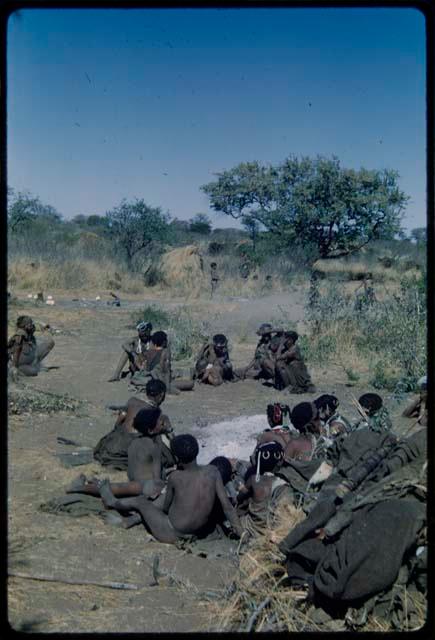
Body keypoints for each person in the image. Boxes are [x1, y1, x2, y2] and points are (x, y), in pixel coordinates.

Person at [97, 434, 244, 543]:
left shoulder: (176, 477)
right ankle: (131, 521)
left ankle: (112, 502)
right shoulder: (213, 472)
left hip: (171, 531)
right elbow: (228, 508)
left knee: (141, 502)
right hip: (197, 532)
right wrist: (241, 534)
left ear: (178, 458)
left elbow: (166, 507)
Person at [67, 407, 174, 512]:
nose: (163, 423)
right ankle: (80, 488)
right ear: (151, 430)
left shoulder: (133, 443)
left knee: (117, 488)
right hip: (146, 486)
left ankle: (84, 487)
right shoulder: (153, 447)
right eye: (160, 422)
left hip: (135, 483)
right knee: (116, 489)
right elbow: (156, 478)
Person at [94, 380, 170, 469]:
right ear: (161, 395)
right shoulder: (155, 413)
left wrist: (116, 432)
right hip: (130, 443)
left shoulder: (132, 401)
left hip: (117, 439)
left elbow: (121, 417)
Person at [236, 442, 288, 538]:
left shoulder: (253, 479)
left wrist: (241, 490)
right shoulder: (282, 483)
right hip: (271, 529)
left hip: (253, 526)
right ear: (279, 462)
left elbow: (240, 497)